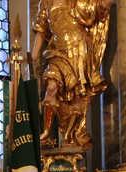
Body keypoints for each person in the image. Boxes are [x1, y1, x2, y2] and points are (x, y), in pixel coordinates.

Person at [32, 0, 114, 148]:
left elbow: (98, 8)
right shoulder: (45, 2)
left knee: (77, 95)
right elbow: (41, 30)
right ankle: (46, 132)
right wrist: (34, 54)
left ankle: (69, 136)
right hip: (57, 51)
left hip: (78, 50)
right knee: (51, 88)